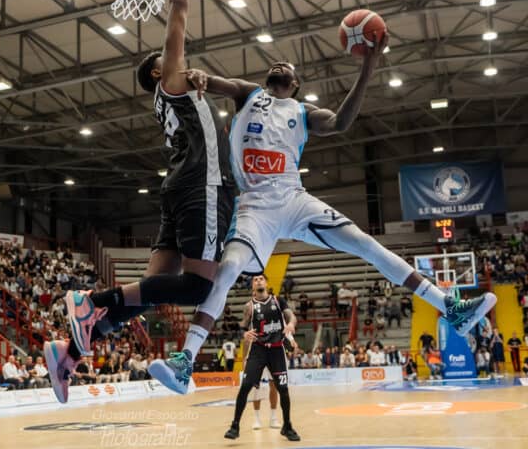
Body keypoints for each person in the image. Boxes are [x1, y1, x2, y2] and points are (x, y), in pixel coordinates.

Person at [150, 43, 497, 394]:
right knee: (227, 270)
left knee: (367, 244)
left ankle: (450, 307)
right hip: (255, 206)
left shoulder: (303, 111)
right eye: (276, 62)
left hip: (294, 198)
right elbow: (212, 81)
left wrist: (369, 66)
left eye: (286, 64)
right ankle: (185, 362)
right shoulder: (248, 93)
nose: (279, 62)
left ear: (296, 83)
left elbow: (341, 123)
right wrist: (198, 77)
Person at [44, 0, 235, 404]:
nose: (180, 59)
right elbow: (181, 8)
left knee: (145, 297)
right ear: (158, 69)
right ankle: (89, 301)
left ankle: (66, 354)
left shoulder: (171, 95)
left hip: (178, 188)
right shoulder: (171, 80)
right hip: (200, 185)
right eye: (169, 59)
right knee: (197, 286)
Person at [224, 275, 299, 441]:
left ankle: (287, 426)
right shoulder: (249, 306)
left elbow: (291, 316)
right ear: (252, 285)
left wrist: (291, 324)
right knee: (245, 387)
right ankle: (235, 426)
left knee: (283, 390)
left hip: (277, 350)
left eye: (261, 279)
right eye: (255, 279)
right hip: (257, 351)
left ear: (266, 282)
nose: (258, 281)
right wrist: (243, 334)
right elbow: (242, 327)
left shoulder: (278, 301)